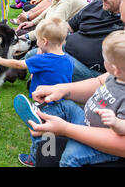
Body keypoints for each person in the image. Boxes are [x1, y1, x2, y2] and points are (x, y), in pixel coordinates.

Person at [15, 30, 125, 167]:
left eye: (105, 59)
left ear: (116, 69)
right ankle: (41, 114)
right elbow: (98, 82)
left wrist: (66, 129)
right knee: (63, 107)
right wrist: (61, 89)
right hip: (85, 119)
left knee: (68, 157)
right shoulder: (115, 76)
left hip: (106, 143)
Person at [0, 17, 73, 97]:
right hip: (61, 97)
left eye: (38, 39)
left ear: (44, 41)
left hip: (43, 98)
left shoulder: (41, 60)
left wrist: (0, 60)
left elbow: (19, 65)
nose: (37, 42)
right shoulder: (69, 59)